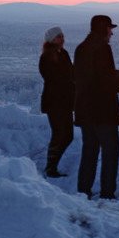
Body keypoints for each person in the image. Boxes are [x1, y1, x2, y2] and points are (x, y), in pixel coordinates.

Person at [74, 15, 119, 200]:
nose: (112, 33)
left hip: (85, 110)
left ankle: (83, 191)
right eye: (110, 29)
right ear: (103, 29)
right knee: (110, 151)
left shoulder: (81, 48)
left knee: (89, 151)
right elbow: (106, 79)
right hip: (103, 110)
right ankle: (107, 193)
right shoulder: (103, 49)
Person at [38, 26, 75, 178]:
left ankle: (52, 166)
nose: (62, 39)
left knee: (67, 135)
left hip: (65, 102)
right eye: (58, 37)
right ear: (51, 40)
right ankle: (51, 168)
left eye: (62, 36)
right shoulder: (46, 57)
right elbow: (53, 78)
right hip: (54, 102)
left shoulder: (63, 54)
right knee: (60, 134)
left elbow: (70, 73)